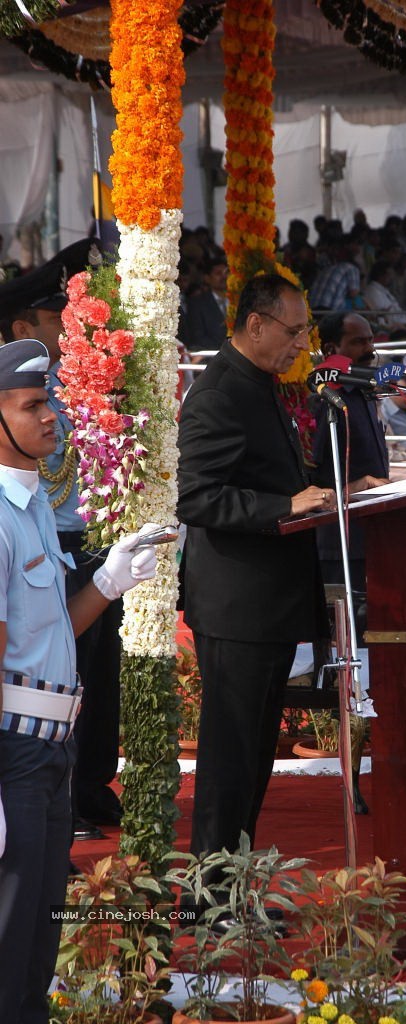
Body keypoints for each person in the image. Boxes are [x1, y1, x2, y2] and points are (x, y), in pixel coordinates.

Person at [0, 338, 158, 1024]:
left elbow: (54, 625)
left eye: (51, 403)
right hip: (15, 751)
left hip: (50, 748)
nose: (50, 418)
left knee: (36, 938)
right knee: (10, 940)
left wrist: (107, 581)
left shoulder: (33, 502)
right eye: (31, 405)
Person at [177, 273, 329, 859]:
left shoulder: (259, 382)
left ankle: (232, 884)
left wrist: (331, 487)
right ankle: (208, 894)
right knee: (230, 760)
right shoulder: (221, 392)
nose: (301, 345)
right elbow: (193, 494)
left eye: (305, 332)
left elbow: (267, 475)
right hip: (238, 606)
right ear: (256, 324)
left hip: (267, 603)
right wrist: (283, 506)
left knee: (255, 755)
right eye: (293, 331)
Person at [0, 240, 126, 840]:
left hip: (81, 538)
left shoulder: (76, 382)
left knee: (97, 673)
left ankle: (88, 786)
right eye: (57, 319)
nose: (69, 327)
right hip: (18, 744)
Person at [311, 312, 389, 595]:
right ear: (331, 349)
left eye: (370, 340)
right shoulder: (325, 398)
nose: (370, 349)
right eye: (359, 342)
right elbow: (310, 478)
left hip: (372, 531)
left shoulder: (362, 389)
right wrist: (359, 485)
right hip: (338, 541)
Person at [185, 255, 228, 352]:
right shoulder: (197, 304)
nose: (224, 277)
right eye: (218, 273)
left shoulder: (239, 300)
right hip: (211, 357)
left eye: (226, 273)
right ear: (207, 278)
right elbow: (197, 337)